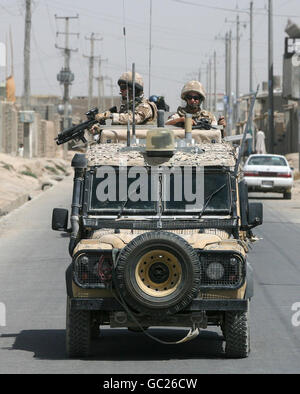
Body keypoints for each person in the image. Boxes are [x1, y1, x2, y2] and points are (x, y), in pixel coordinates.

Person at [92, 71, 157, 130]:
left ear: (133, 89)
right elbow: (119, 125)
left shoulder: (145, 106)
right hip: (126, 140)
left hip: (142, 141)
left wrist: (110, 115)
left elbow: (134, 119)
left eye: (123, 88)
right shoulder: (127, 107)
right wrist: (101, 128)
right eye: (120, 88)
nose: (120, 90)